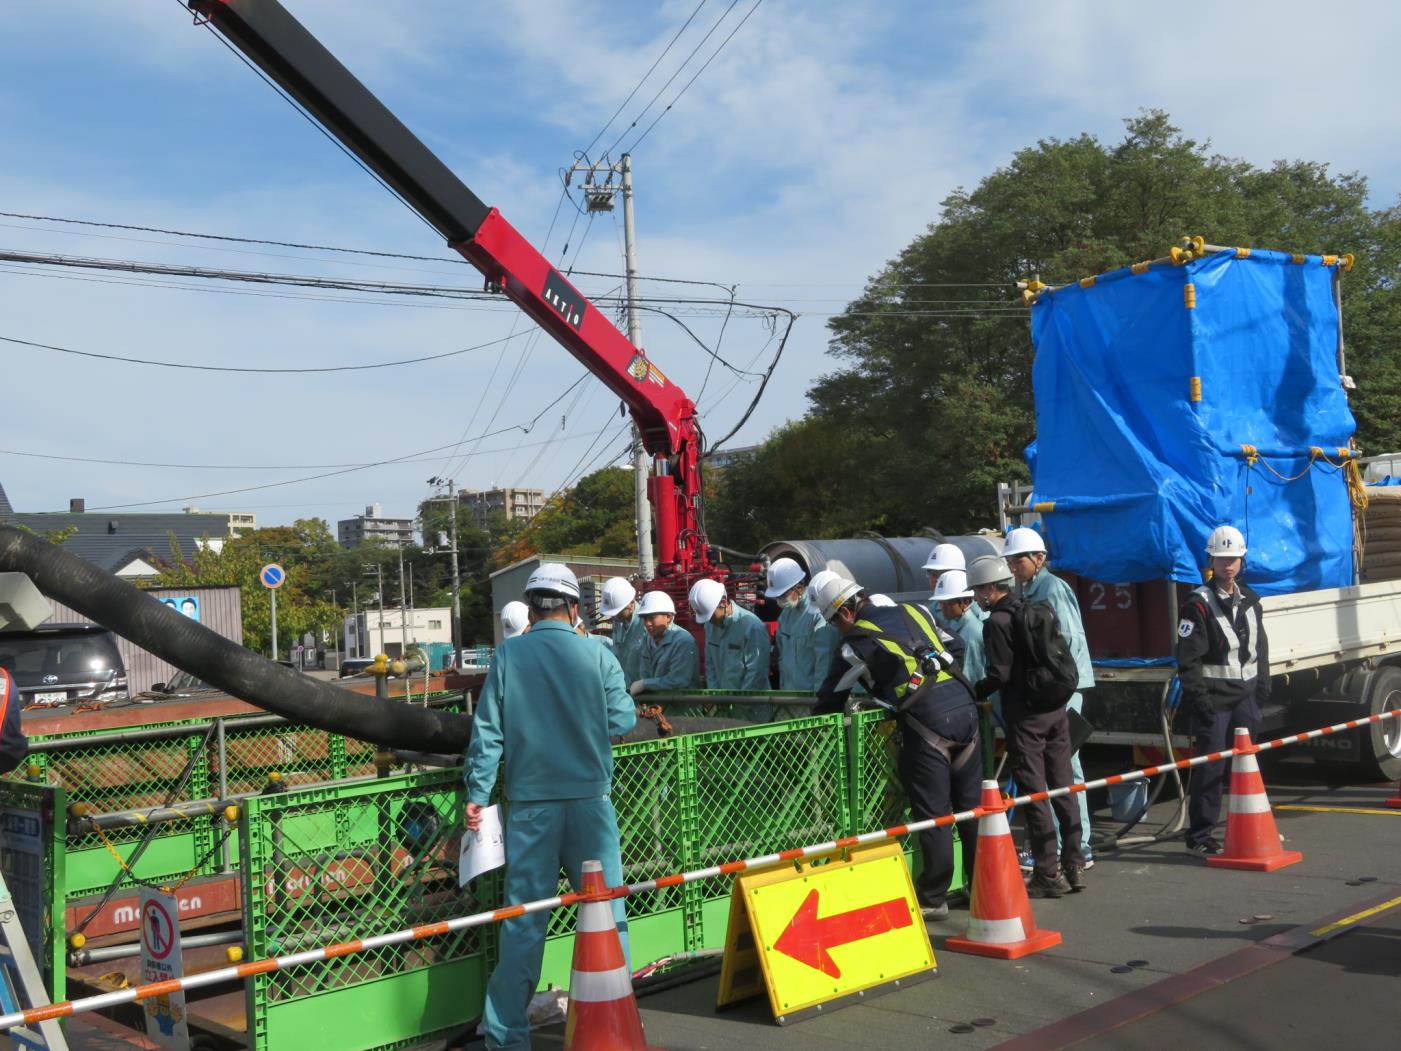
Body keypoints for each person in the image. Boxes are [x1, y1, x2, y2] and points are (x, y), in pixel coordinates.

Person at [464, 563, 636, 1051]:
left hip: (531, 809)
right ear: (575, 608)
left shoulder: (509, 657)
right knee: (606, 912)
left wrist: (477, 795)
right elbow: (622, 717)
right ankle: (612, 1023)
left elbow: (487, 734)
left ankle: (506, 1036)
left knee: (524, 922)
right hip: (590, 804)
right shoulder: (597, 654)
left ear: (532, 608)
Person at [813, 576, 980, 920]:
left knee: (934, 814)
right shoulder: (915, 611)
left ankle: (934, 896)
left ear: (845, 612)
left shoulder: (854, 644)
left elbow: (830, 699)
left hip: (927, 723)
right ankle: (981, 884)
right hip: (966, 710)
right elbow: (957, 646)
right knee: (971, 808)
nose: (835, 629)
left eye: (833, 622)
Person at [969, 555, 1085, 897]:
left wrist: (971, 690)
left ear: (991, 588)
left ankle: (1048, 873)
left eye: (979, 589)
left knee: (1036, 794)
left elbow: (1000, 674)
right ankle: (1075, 864)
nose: (977, 596)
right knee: (1064, 787)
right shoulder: (1035, 608)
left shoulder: (997, 623)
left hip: (1026, 717)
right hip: (1056, 709)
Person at [1004, 526, 1095, 868]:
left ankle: (1078, 846)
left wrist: (1053, 688)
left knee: (1066, 766)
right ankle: (1061, 845)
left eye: (1019, 560)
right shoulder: (1032, 589)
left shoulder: (1052, 589)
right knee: (1056, 768)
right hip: (1055, 690)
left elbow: (1067, 642)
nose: (1014, 567)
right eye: (1011, 561)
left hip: (1063, 690)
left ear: (1039, 558)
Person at [1177, 525, 1269, 856]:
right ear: (1211, 562)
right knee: (1210, 770)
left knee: (1247, 767)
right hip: (1214, 703)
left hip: (1245, 699)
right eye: (1221, 558)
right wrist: (1200, 703)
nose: (1227, 564)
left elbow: (1261, 648)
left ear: (1242, 561)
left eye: (1233, 558)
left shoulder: (1251, 601)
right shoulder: (1198, 604)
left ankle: (1248, 825)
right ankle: (1201, 836)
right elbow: (1187, 661)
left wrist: (1261, 691)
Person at [688, 578, 771, 718]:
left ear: (723, 602)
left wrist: (740, 701)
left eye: (710, 614)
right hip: (723, 708)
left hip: (752, 710)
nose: (709, 620)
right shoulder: (710, 626)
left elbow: (756, 671)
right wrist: (715, 695)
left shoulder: (752, 627)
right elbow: (710, 664)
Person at [768, 558, 837, 691]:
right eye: (777, 596)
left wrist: (819, 702)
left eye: (782, 594)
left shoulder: (818, 614)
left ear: (799, 588)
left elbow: (824, 664)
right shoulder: (785, 616)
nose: (779, 600)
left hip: (811, 699)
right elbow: (782, 659)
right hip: (789, 698)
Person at [628, 591, 698, 695]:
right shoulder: (646, 641)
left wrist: (645, 684)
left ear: (669, 617)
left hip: (682, 709)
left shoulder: (683, 642)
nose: (647, 623)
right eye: (645, 618)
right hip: (655, 708)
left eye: (652, 618)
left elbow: (678, 680)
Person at [923, 543, 985, 629]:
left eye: (941, 573)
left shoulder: (980, 606)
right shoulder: (931, 611)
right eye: (931, 573)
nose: (935, 579)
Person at [599, 577, 645, 684]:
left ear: (631, 603)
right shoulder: (618, 620)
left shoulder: (645, 623)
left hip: (643, 690)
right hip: (624, 685)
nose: (615, 615)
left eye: (618, 611)